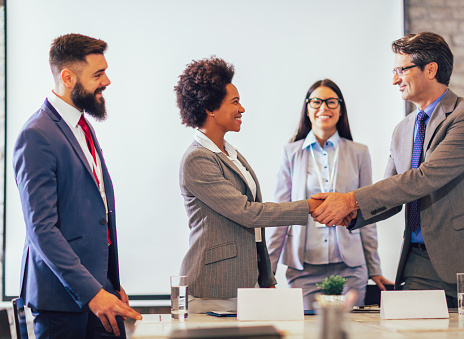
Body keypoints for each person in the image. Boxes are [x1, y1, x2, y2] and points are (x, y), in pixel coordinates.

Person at [312, 32, 464, 308]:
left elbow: (424, 178)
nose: (394, 79)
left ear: (430, 69)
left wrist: (349, 200)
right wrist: (352, 214)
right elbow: (393, 195)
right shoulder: (402, 129)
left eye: (400, 70)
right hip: (418, 265)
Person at [13, 33, 142, 338]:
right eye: (98, 74)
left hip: (99, 293)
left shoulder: (82, 128)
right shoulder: (37, 135)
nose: (107, 81)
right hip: (64, 305)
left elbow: (91, 214)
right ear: (68, 78)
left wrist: (109, 282)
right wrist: (93, 292)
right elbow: (42, 229)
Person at [174, 57, 322, 313]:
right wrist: (307, 207)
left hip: (245, 285)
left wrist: (266, 279)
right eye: (235, 102)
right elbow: (248, 213)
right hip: (215, 289)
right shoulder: (197, 159)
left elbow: (254, 230)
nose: (242, 109)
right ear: (210, 107)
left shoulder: (230, 154)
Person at [266, 79, 392, 309]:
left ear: (341, 108)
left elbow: (367, 216)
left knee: (350, 330)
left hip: (350, 268)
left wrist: (374, 269)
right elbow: (280, 216)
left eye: (331, 102)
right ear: (307, 109)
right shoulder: (290, 153)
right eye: (316, 102)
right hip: (303, 269)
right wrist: (268, 272)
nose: (324, 108)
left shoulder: (359, 153)